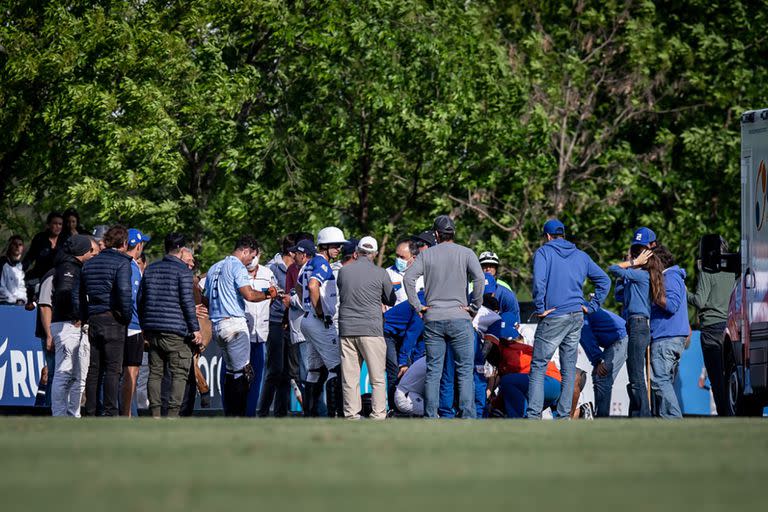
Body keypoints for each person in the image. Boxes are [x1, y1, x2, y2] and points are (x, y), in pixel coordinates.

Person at [527, 219, 610, 419]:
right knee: (568, 369)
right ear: (563, 234)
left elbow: (539, 282)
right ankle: (564, 417)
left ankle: (533, 416)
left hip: (554, 315)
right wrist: (591, 306)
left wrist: (540, 307)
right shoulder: (581, 255)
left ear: (547, 236)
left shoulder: (544, 252)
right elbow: (605, 281)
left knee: (539, 365)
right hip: (576, 316)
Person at [403, 215, 485, 419]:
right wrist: (474, 307)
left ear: (437, 234)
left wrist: (418, 307)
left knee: (434, 371)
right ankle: (468, 416)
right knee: (465, 371)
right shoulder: (466, 253)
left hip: (433, 317)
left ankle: (431, 416)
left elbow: (408, 278)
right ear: (453, 233)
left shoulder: (427, 255)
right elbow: (480, 278)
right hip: (460, 317)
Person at [204, 235, 277, 417]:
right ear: (245, 250)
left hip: (218, 324)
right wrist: (269, 293)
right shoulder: (237, 266)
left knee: (230, 372)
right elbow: (250, 295)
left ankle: (230, 413)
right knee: (243, 373)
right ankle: (239, 415)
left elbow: (203, 295)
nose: (251, 260)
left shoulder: (214, 267)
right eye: (251, 256)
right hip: (234, 324)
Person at [138, 233, 202, 418]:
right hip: (175, 332)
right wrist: (195, 329)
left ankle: (156, 414)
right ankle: (173, 415)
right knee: (179, 374)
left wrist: (145, 325)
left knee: (155, 373)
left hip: (153, 330)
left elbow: (140, 299)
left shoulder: (150, 269)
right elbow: (187, 302)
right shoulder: (183, 271)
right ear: (182, 250)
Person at [337, 236, 396, 420]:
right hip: (371, 330)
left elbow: (342, 291)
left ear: (357, 252)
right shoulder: (381, 273)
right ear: (375, 253)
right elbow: (391, 299)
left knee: (350, 377)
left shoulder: (344, 272)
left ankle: (351, 414)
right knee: (377, 377)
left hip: (347, 329)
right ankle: (378, 414)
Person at [81, 225, 134, 417]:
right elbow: (124, 293)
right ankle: (111, 413)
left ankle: (91, 410)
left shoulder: (90, 263)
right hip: (114, 319)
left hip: (94, 318)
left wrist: (87, 314)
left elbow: (80, 293)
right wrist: (125, 317)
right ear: (124, 243)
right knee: (113, 369)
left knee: (94, 369)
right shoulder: (122, 263)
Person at [300, 226, 347, 417]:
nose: (339, 249)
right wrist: (320, 311)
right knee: (337, 368)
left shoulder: (307, 264)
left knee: (315, 371)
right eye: (335, 245)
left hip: (306, 320)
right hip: (320, 322)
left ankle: (310, 415)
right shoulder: (323, 264)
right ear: (324, 246)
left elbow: (298, 285)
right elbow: (312, 286)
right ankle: (336, 414)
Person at [608, 227, 655, 417]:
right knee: (633, 373)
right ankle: (637, 413)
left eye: (639, 252)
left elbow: (613, 268)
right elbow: (619, 295)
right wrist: (629, 267)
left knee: (637, 376)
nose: (634, 256)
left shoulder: (642, 274)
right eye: (634, 251)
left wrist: (632, 262)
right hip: (632, 324)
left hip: (639, 324)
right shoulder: (633, 276)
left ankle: (643, 414)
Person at [688, 235, 735, 416]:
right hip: (729, 327)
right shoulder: (732, 272)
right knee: (728, 374)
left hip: (711, 329)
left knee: (716, 378)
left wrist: (684, 293)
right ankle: (732, 412)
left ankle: (724, 416)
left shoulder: (707, 272)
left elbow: (699, 301)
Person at [49, 235, 96, 416]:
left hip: (72, 324)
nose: (92, 253)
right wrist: (77, 314)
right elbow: (65, 292)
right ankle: (60, 415)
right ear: (81, 251)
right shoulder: (68, 267)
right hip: (68, 324)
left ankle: (72, 414)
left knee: (77, 376)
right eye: (89, 250)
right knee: (64, 373)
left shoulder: (73, 266)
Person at [485, 314, 562, 418]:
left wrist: (494, 405)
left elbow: (508, 384)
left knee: (508, 382)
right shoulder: (511, 350)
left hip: (549, 383)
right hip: (549, 385)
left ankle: (521, 421)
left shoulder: (510, 353)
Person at [649, 245, 690, 419]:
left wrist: (654, 294)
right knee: (665, 381)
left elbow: (671, 305)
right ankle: (668, 421)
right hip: (671, 337)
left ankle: (674, 418)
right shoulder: (674, 277)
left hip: (666, 337)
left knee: (660, 381)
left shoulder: (671, 277)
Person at [259, 235, 295, 417]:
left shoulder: (297, 269)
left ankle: (281, 414)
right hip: (274, 322)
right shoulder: (271, 269)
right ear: (291, 252)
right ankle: (263, 412)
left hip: (290, 324)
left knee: (287, 373)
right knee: (275, 370)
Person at [120, 228, 150, 416]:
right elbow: (132, 299)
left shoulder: (123, 264)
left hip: (126, 325)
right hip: (132, 326)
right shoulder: (131, 267)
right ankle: (127, 414)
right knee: (131, 373)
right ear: (137, 245)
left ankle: (126, 412)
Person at [243, 243, 276, 417]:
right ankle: (237, 413)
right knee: (238, 376)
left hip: (260, 333)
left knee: (256, 377)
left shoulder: (267, 273)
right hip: (240, 332)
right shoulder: (237, 271)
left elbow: (273, 295)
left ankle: (250, 414)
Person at [580, 308, 629, 417]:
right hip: (617, 338)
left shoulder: (578, 315)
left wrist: (597, 361)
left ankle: (601, 418)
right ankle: (600, 415)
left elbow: (588, 340)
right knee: (599, 376)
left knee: (602, 376)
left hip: (620, 338)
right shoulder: (579, 307)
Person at [383, 291, 426, 407]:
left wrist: (415, 362)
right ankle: (394, 408)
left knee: (410, 369)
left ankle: (409, 406)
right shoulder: (424, 303)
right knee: (395, 370)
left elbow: (421, 338)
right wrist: (403, 362)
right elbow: (412, 335)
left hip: (401, 336)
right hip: (387, 333)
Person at [22, 212, 64, 301]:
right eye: (55, 223)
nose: (57, 226)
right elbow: (30, 257)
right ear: (49, 225)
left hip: (58, 279)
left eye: (60, 224)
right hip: (40, 277)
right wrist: (19, 272)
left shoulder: (65, 240)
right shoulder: (40, 238)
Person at [386, 239, 420, 305]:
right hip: (394, 314)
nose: (398, 259)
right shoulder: (387, 273)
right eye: (397, 256)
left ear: (414, 258)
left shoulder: (424, 275)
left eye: (402, 257)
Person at [0, 235, 27, 305]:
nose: (17, 247)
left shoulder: (20, 266)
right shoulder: (2, 263)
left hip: (17, 304)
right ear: (9, 246)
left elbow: (22, 287)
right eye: (15, 244)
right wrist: (14, 300)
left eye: (20, 245)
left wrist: (22, 299)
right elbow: (1, 288)